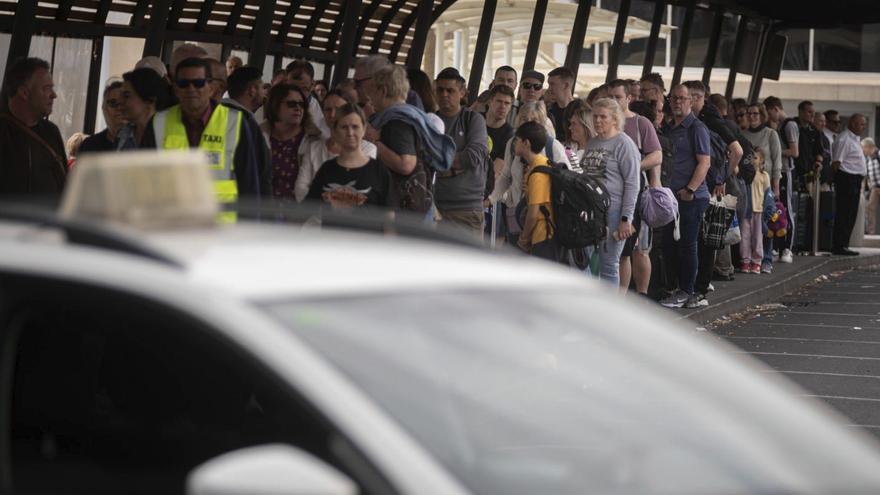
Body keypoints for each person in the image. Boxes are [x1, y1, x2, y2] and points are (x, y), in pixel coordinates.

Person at [143, 57, 271, 208]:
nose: (191, 89)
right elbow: (145, 180)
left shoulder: (235, 123)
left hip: (220, 227)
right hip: (173, 223)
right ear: (176, 88)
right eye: (184, 83)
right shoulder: (159, 122)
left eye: (198, 83)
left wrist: (250, 227)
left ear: (211, 88)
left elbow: (249, 185)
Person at [364, 64, 454, 215]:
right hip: (416, 206)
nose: (369, 99)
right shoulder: (412, 115)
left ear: (383, 91)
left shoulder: (398, 120)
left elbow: (406, 164)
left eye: (372, 92)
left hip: (403, 211)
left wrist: (375, 143)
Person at [487, 101, 570, 245]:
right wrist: (490, 199)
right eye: (524, 119)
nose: (528, 124)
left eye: (534, 120)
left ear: (542, 123)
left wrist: (539, 186)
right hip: (516, 213)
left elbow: (567, 180)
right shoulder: (513, 144)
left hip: (544, 220)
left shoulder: (552, 147)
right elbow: (506, 176)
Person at [608, 79, 662, 295]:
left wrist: (633, 167)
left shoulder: (640, 124)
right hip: (610, 194)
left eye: (617, 97)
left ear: (629, 98)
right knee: (615, 250)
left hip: (633, 192)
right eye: (609, 97)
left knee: (631, 250)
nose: (613, 101)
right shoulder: (603, 123)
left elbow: (656, 155)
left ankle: (640, 294)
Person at [659, 85, 711, 309]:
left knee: (688, 245)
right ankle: (676, 287)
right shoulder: (669, 128)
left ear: (691, 101)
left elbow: (704, 162)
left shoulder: (696, 128)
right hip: (671, 197)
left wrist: (690, 189)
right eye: (673, 98)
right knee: (670, 245)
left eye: (682, 98)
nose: (677, 102)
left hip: (692, 197)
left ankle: (687, 290)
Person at [580, 98, 641, 287]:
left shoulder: (624, 143)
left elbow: (633, 184)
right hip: (589, 212)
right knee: (583, 261)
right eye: (595, 116)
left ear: (614, 119)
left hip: (613, 213)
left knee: (609, 265)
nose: (597, 121)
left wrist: (626, 219)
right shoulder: (592, 142)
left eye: (603, 117)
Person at [0, 57, 67, 200]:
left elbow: (63, 186)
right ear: (24, 93)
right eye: (46, 88)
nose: (54, 95)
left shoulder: (52, 132)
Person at [433, 68, 489, 234]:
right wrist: (454, 166)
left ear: (462, 92)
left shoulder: (473, 119)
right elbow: (423, 158)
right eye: (440, 90)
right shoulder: (430, 121)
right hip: (435, 208)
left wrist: (440, 166)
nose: (444, 95)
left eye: (450, 90)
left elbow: (474, 156)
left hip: (467, 210)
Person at [295, 89, 377, 202]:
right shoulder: (314, 147)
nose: (332, 115)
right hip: (313, 216)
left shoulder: (368, 149)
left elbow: (359, 190)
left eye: (339, 109)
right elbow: (300, 188)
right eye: (328, 110)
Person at [307, 103, 390, 208]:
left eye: (355, 127)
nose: (350, 133)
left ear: (364, 129)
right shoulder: (326, 169)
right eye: (344, 127)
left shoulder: (379, 170)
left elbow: (389, 218)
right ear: (335, 131)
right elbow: (308, 209)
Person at [741, 102, 783, 274]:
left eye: (755, 113)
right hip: (747, 185)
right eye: (748, 113)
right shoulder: (742, 134)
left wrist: (776, 185)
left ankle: (766, 259)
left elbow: (777, 160)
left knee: (766, 223)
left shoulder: (770, 134)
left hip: (766, 183)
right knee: (748, 228)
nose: (751, 116)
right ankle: (746, 259)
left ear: (762, 115)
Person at [259, 83, 319, 200]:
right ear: (275, 105)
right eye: (291, 104)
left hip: (299, 214)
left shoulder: (314, 140)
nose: (298, 108)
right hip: (262, 212)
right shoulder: (258, 135)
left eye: (301, 104)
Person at [514, 121, 560, 260]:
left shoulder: (538, 173)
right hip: (544, 236)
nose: (514, 144)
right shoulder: (542, 163)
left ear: (526, 143)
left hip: (543, 236)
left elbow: (533, 213)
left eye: (517, 140)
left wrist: (524, 238)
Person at [831, 113, 868, 255]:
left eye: (864, 124)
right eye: (861, 124)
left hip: (855, 179)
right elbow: (836, 163)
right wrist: (840, 180)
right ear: (852, 124)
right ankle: (839, 245)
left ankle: (844, 244)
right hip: (846, 179)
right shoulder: (845, 139)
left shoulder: (855, 139)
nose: (863, 127)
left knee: (851, 213)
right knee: (844, 212)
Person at [117, 68, 171, 150]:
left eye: (126, 96)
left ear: (150, 100)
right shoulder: (123, 134)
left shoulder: (169, 135)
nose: (120, 101)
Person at [740, 149, 770, 274]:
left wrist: (768, 209)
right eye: (751, 157)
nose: (753, 160)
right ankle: (745, 261)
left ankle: (757, 261)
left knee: (757, 237)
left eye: (756, 158)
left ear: (762, 160)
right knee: (745, 237)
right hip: (746, 211)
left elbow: (768, 194)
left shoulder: (764, 175)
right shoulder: (745, 174)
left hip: (759, 210)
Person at [80, 79, 126, 153]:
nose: (119, 108)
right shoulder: (89, 145)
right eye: (113, 103)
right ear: (104, 108)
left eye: (124, 103)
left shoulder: (143, 143)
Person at [287, 60, 330, 138]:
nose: (297, 95)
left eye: (303, 89)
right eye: (292, 88)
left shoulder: (320, 111)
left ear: (312, 84)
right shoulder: (273, 105)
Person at [510, 70, 554, 135]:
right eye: (527, 85)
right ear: (519, 89)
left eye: (537, 87)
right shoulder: (509, 109)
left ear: (542, 92)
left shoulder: (548, 116)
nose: (531, 90)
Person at [547, 67, 576, 142]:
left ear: (566, 85)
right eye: (549, 85)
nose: (549, 89)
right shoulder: (547, 111)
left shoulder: (580, 111)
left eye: (552, 84)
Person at [864, 137, 880, 235]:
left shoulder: (878, 154)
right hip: (874, 188)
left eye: (863, 148)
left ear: (868, 146)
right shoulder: (868, 159)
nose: (862, 150)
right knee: (870, 208)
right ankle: (871, 232)